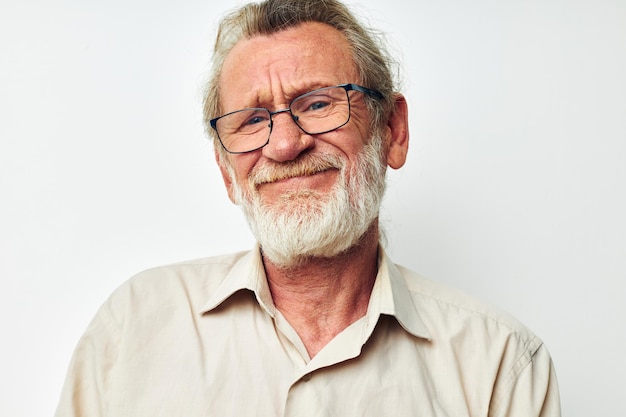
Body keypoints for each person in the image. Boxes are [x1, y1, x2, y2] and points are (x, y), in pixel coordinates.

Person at [54, 0, 561, 416]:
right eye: (252, 120)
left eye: (318, 103)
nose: (283, 145)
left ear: (393, 131)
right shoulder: (134, 327)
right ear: (224, 168)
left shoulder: (502, 365)